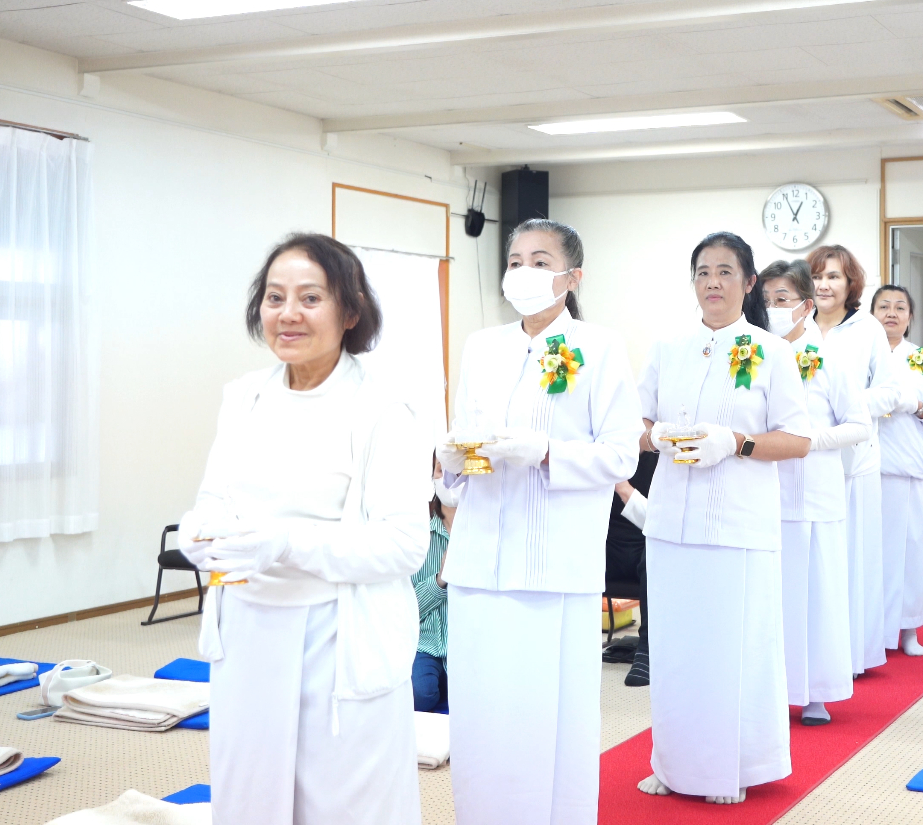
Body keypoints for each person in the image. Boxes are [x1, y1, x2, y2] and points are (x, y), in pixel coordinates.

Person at [178, 233, 430, 825]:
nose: (288, 314)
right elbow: (215, 498)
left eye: (310, 298)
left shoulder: (382, 409)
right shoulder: (243, 397)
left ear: (349, 311)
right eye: (274, 298)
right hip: (248, 627)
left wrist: (286, 545)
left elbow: (403, 545)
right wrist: (199, 532)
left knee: (341, 799)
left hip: (336, 633)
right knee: (250, 793)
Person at [440, 219, 642, 825]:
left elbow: (621, 455)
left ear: (571, 276)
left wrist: (546, 452)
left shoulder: (600, 347)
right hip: (479, 555)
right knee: (480, 708)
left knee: (543, 711)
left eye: (540, 260)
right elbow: (464, 439)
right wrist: (451, 460)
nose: (523, 272)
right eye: (515, 259)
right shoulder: (482, 346)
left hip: (553, 560)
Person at [637, 232, 811, 805]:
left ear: (749, 282)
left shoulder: (771, 350)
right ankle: (673, 763)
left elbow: (798, 439)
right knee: (674, 649)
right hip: (669, 523)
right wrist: (657, 435)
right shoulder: (668, 346)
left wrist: (735, 442)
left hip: (737, 522)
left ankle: (732, 766)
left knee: (730, 649)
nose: (713, 282)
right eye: (703, 272)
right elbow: (633, 426)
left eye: (725, 272)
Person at [761, 258, 868, 726]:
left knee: (817, 595)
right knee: (770, 598)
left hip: (815, 492)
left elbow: (859, 426)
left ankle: (817, 692)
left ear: (805, 306)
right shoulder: (753, 353)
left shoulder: (829, 358)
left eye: (781, 300)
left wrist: (806, 445)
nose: (771, 309)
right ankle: (768, 689)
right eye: (764, 301)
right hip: (763, 493)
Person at [808, 245, 897, 675]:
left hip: (854, 458)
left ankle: (853, 656)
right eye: (818, 276)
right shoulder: (795, 327)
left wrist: (843, 405)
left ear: (850, 285)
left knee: (854, 558)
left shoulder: (867, 330)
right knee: (816, 563)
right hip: (804, 460)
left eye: (834, 277)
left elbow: (889, 390)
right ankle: (814, 653)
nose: (824, 285)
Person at [871, 285, 923, 657]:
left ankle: (907, 629)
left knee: (910, 549)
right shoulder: (856, 354)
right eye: (884, 306)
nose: (891, 313)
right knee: (871, 554)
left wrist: (919, 407)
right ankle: (870, 633)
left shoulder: (922, 359)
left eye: (899, 307)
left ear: (910, 316)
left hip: (906, 466)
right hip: (863, 466)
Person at [604, 442, 657, 687]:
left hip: (646, 546)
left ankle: (646, 650)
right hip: (606, 546)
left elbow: (661, 524)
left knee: (655, 552)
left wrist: (624, 489)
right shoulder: (602, 454)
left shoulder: (661, 457)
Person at [412, 458, 453, 712]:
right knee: (420, 694)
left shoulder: (482, 532)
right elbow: (409, 605)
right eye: (441, 470)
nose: (449, 478)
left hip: (466, 645)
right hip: (424, 643)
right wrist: (441, 579)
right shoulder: (420, 535)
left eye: (456, 470)